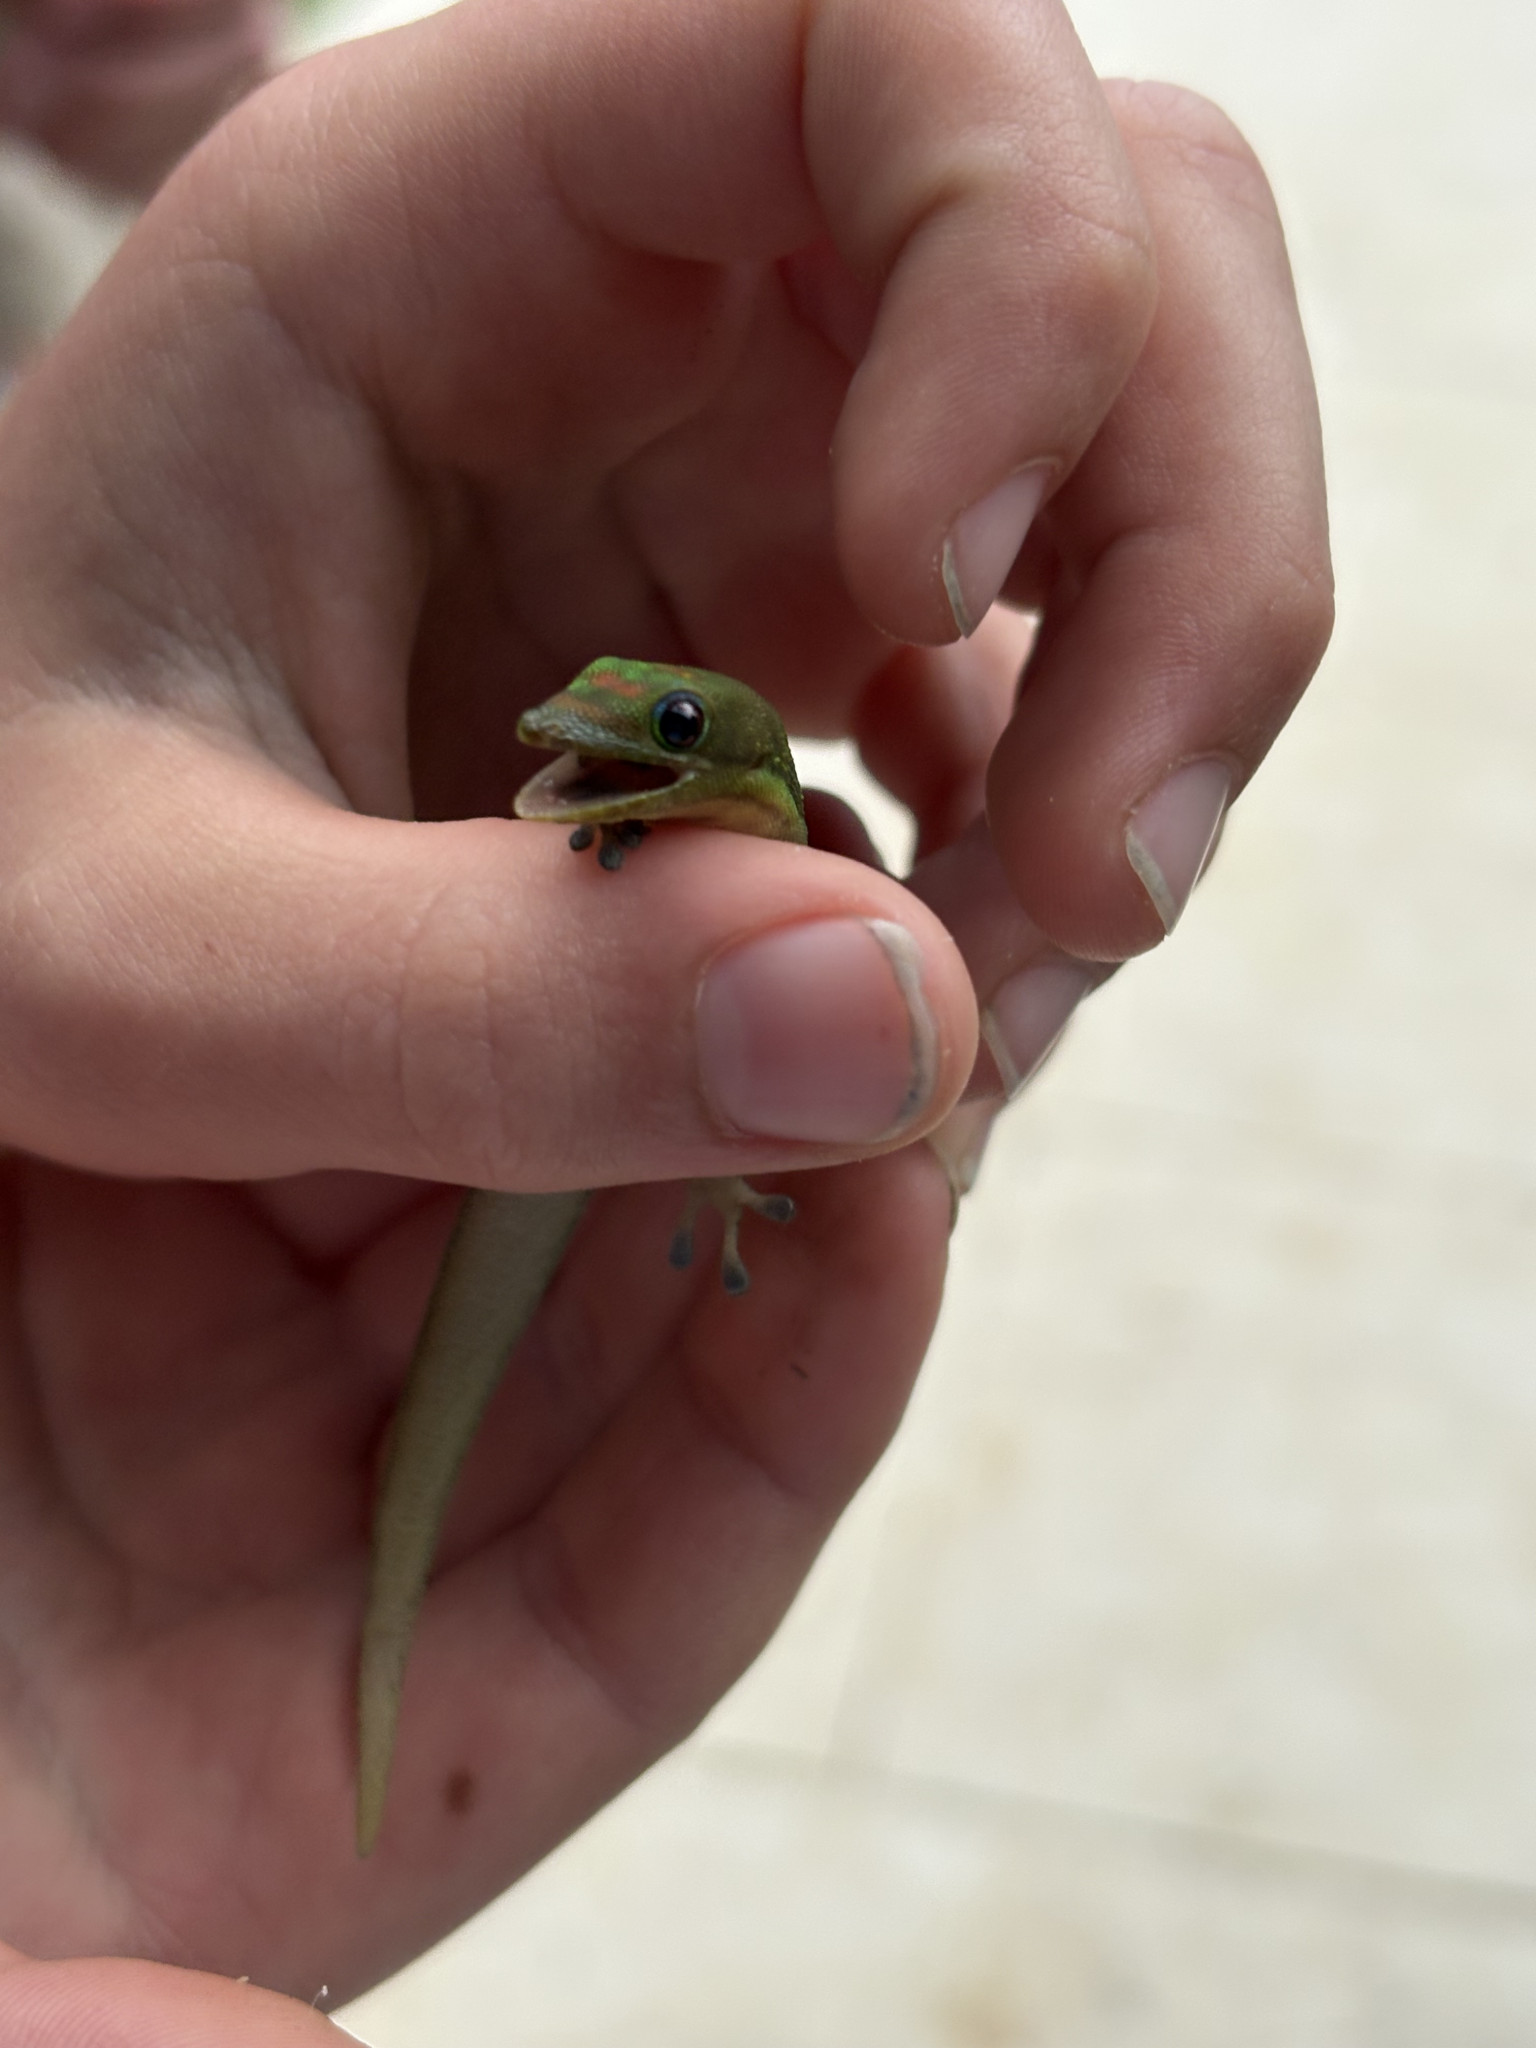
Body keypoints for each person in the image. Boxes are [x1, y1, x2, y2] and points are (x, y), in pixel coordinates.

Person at [0, 0, 1332, 2035]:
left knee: (732, 1139)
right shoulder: (662, 809)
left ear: (720, 768)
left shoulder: (755, 816)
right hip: (419, 1266)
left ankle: (582, 1358)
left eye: (649, 753)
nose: (586, 761)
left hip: (503, 1239)